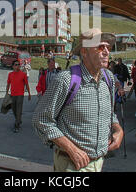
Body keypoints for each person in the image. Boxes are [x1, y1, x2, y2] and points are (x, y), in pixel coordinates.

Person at [32, 28, 124, 172]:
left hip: (99, 162)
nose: (107, 52)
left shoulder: (109, 78)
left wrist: (118, 130)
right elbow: (41, 119)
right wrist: (71, 149)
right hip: (72, 165)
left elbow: (109, 114)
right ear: (84, 52)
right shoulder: (65, 80)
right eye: (100, 47)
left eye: (108, 47)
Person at [6, 60, 31, 133]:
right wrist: (6, 93)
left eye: (18, 65)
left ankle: (17, 125)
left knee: (19, 110)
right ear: (13, 66)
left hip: (20, 95)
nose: (17, 66)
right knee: (14, 109)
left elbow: (27, 84)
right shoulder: (10, 74)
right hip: (13, 95)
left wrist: (29, 94)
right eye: (16, 65)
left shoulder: (23, 74)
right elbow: (8, 84)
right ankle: (18, 120)